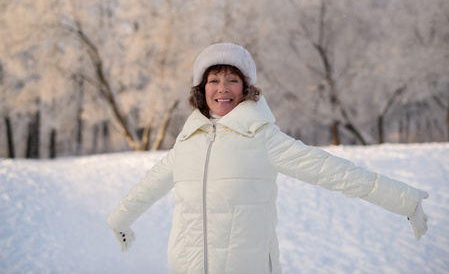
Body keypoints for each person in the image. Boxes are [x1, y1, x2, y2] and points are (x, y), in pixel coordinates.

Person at [107, 43, 429, 274]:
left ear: (245, 88)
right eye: (213, 80)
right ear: (201, 88)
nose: (223, 89)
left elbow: (331, 171)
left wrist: (404, 200)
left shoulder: (262, 137)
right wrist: (119, 220)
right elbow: (148, 186)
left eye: (232, 79)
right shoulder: (188, 141)